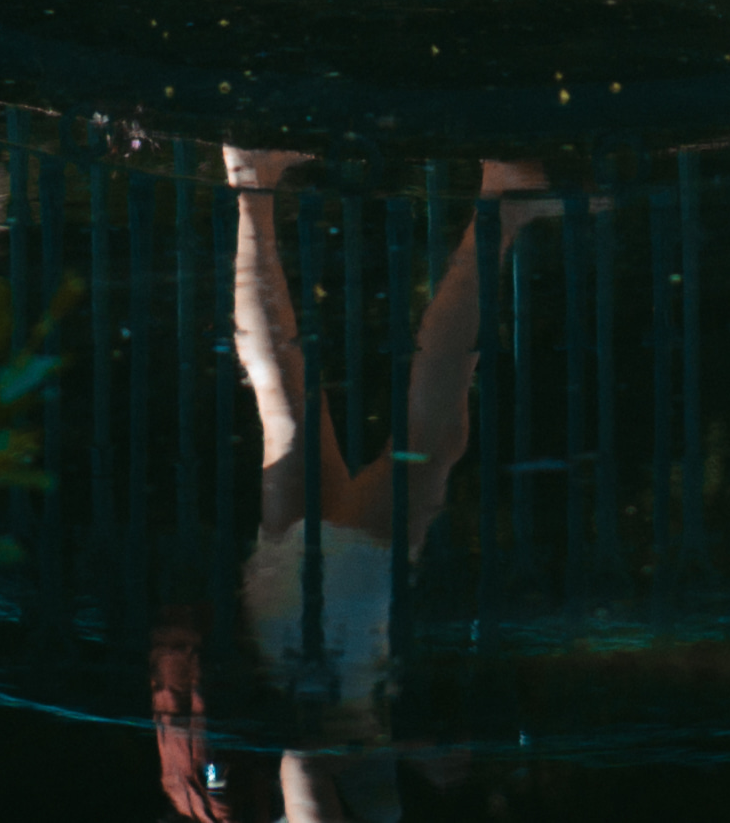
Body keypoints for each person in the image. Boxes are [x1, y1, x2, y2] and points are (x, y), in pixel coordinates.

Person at [150, 146, 564, 819]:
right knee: (285, 395)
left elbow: (305, 759)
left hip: (332, 632)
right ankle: (250, 178)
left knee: (430, 432)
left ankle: (503, 204)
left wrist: (406, 752)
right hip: (291, 624)